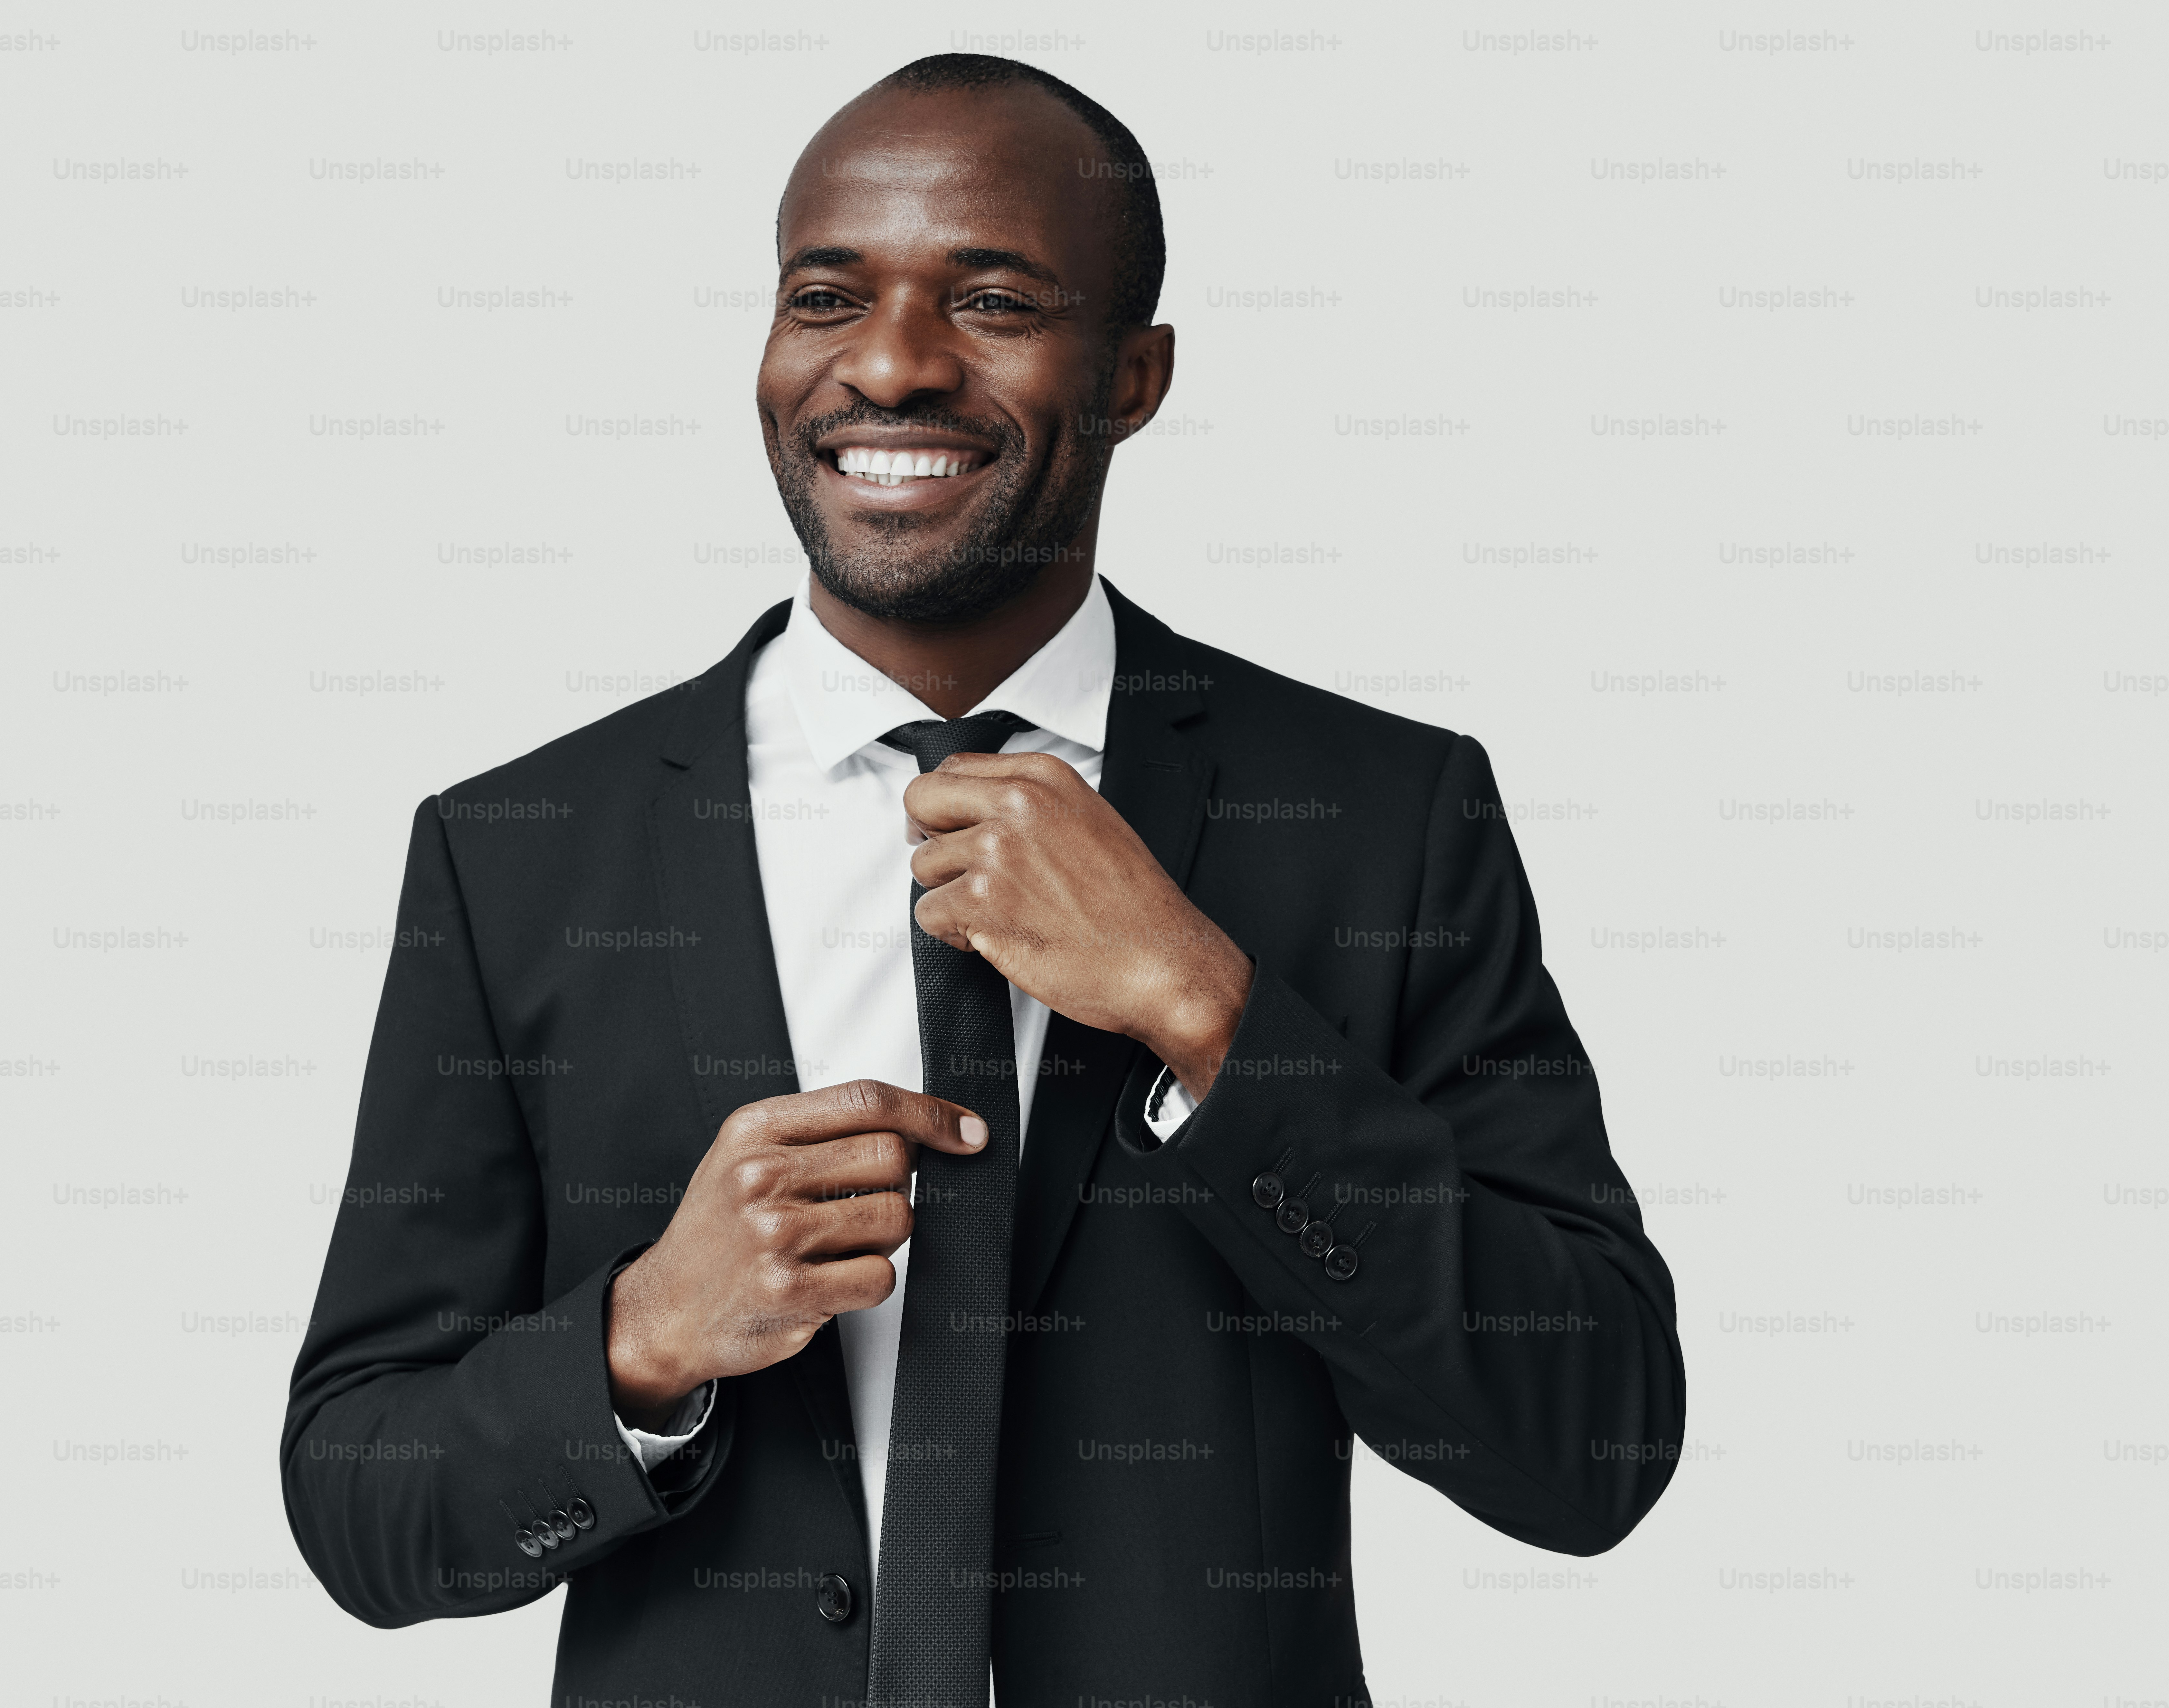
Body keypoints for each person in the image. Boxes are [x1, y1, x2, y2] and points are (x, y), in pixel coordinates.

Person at [282, 53, 1683, 1708]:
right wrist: (639, 1341)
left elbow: (1587, 1445)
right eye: (825, 295)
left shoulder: (1382, 816)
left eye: (993, 299)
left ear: (1134, 374)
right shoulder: (520, 850)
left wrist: (1208, 1016)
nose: (887, 363)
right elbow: (361, 1504)